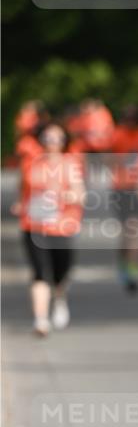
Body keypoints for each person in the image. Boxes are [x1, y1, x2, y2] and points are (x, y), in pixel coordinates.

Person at [18, 123, 85, 336]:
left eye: (56, 139)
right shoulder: (31, 163)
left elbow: (80, 194)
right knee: (39, 272)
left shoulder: (70, 164)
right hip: (34, 224)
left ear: (64, 141)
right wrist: (21, 204)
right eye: (47, 138)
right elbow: (23, 189)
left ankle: (59, 297)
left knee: (60, 272)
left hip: (61, 226)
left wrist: (65, 196)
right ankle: (41, 320)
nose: (51, 143)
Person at [110, 105, 138, 292]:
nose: (130, 122)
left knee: (134, 229)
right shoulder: (117, 134)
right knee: (127, 232)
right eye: (127, 118)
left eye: (134, 118)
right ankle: (124, 263)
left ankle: (133, 270)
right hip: (121, 188)